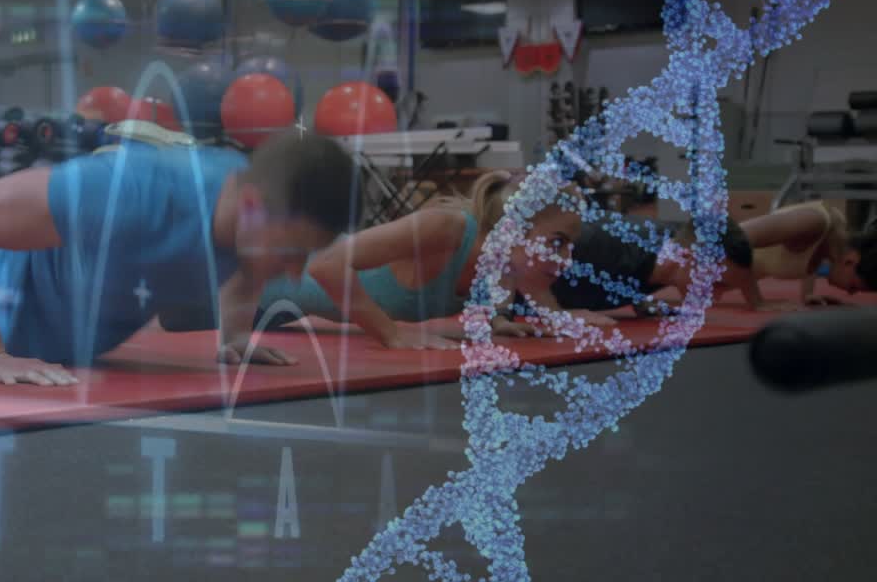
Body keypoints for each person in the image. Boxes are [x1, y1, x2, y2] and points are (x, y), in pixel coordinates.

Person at [0, 133, 360, 386]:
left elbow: (246, 264)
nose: (295, 272)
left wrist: (235, 336)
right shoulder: (132, 192)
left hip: (48, 348)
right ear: (250, 207)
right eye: (291, 251)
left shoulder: (249, 213)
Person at [252, 170, 588, 350]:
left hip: (278, 312)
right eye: (557, 242)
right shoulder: (446, 228)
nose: (565, 259)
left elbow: (498, 291)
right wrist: (391, 334)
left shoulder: (503, 264)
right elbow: (325, 264)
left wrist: (498, 320)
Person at [535, 212, 757, 315]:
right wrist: (555, 313)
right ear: (687, 257)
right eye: (716, 284)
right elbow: (520, 249)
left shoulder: (674, 250)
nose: (716, 296)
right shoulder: (598, 245)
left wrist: (638, 298)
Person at [736, 200, 877, 307]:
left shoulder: (834, 235)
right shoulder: (813, 221)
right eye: (853, 287)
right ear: (850, 261)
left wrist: (808, 294)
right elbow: (733, 238)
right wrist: (757, 302)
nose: (849, 293)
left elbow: (813, 251)